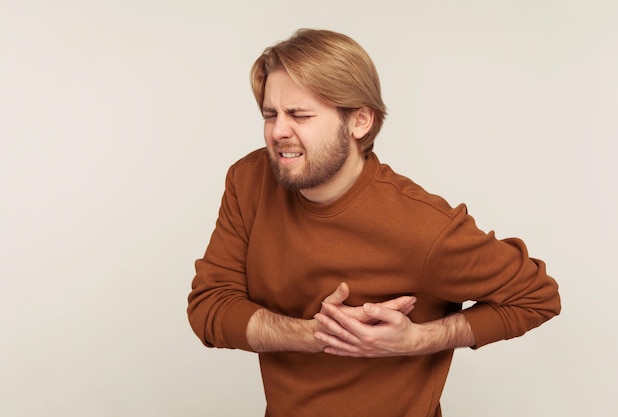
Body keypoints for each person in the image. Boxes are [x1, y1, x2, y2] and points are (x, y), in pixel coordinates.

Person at [187, 28, 560, 417]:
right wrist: (317, 333)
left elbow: (537, 296)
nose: (278, 131)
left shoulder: (423, 227)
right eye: (270, 114)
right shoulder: (248, 181)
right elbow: (210, 307)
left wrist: (418, 339)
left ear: (360, 120)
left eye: (300, 115)